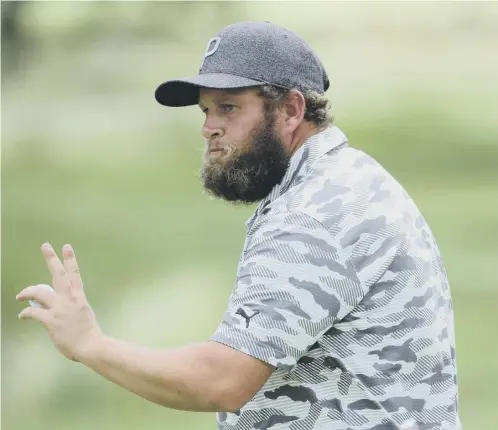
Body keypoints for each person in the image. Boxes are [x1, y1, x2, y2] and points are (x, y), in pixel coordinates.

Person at [16, 21, 461, 430]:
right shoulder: (342, 180)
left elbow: (223, 379)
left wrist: (90, 345)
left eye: (229, 107)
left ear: (290, 109)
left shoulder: (315, 213)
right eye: (206, 110)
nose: (209, 128)